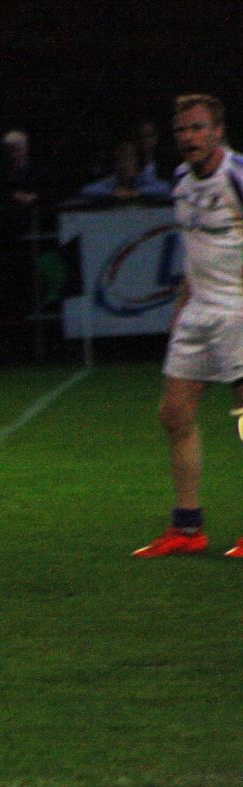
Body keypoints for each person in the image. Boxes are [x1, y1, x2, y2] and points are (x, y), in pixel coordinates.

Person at [134, 94, 243, 559]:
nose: (189, 137)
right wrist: (182, 305)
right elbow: (192, 250)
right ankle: (187, 529)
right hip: (198, 313)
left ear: (218, 130)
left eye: (198, 128)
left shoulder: (236, 175)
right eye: (182, 130)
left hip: (238, 311)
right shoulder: (181, 179)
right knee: (174, 414)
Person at [77, 139, 171, 202]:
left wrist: (136, 193)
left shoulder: (143, 180)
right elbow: (87, 191)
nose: (125, 163)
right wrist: (112, 195)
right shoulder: (110, 182)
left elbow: (165, 188)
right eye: (121, 158)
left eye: (130, 157)